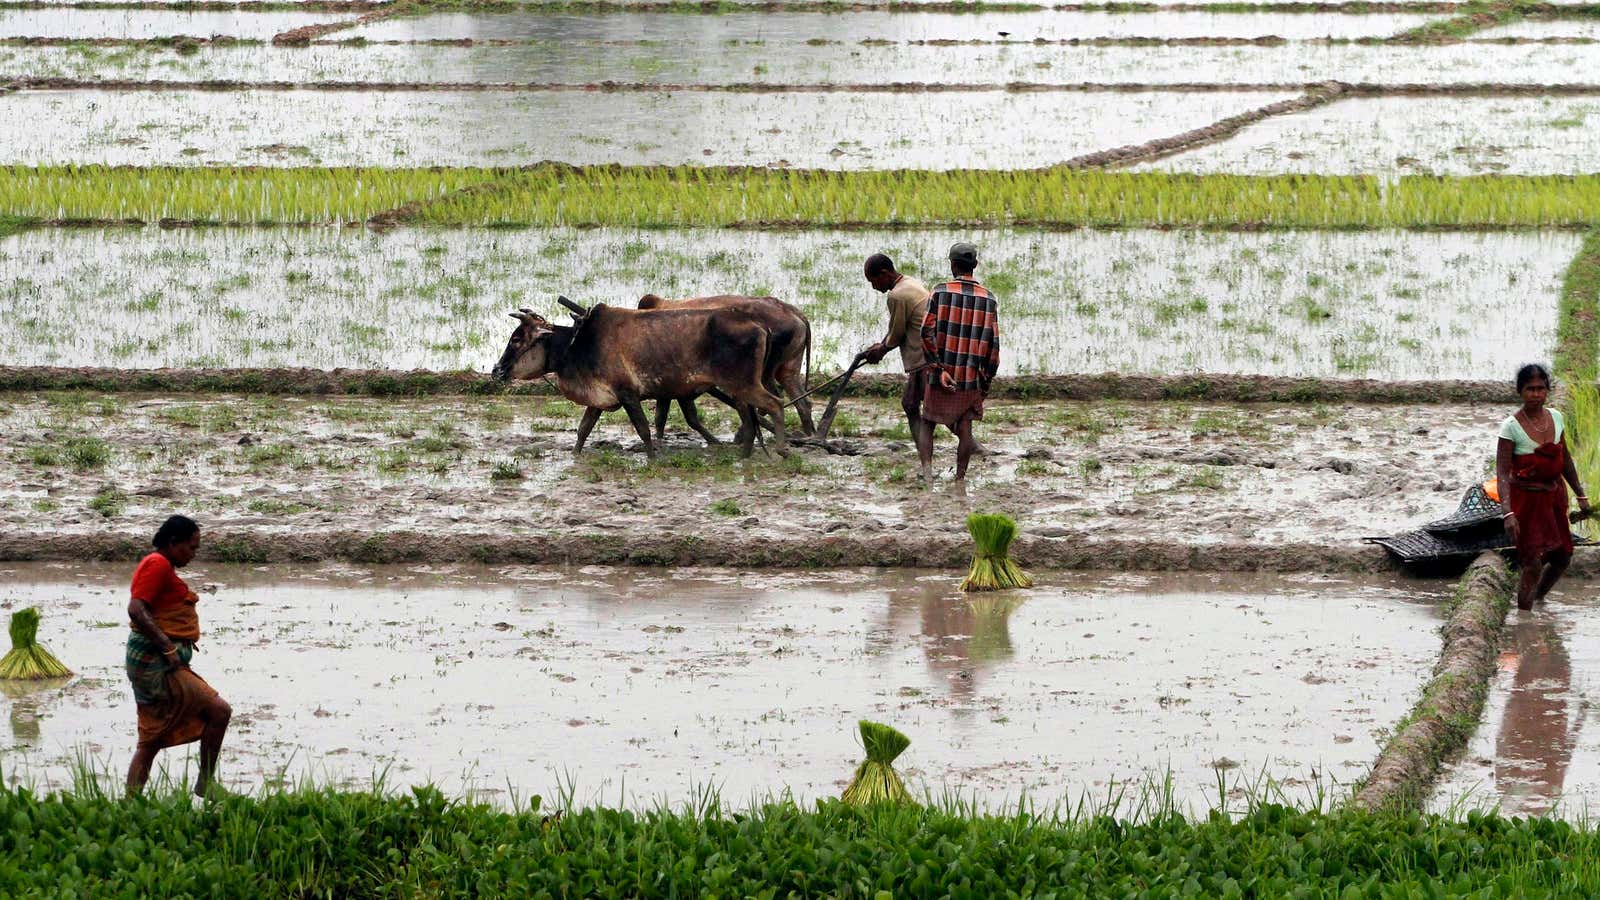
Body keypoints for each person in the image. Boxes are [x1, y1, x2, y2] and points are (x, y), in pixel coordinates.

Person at [125, 515, 232, 797]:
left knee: (151, 739)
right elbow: (136, 609)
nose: (193, 555)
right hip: (157, 662)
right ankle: (205, 783)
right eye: (191, 548)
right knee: (219, 711)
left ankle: (129, 803)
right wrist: (168, 648)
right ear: (173, 543)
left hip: (157, 662)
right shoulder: (157, 564)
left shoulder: (161, 565)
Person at [1497, 363, 1589, 611]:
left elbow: (1565, 459)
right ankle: (1523, 618)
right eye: (1530, 389)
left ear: (1547, 390)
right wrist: (1508, 513)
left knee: (1563, 557)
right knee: (1532, 562)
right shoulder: (1511, 427)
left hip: (1553, 498)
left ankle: (1538, 600)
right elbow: (1502, 473)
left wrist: (1580, 493)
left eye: (1540, 388)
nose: (1536, 394)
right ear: (1520, 391)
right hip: (1526, 503)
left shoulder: (1556, 417)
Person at [917, 241, 1000, 481]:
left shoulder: (940, 292)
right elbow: (993, 345)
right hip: (970, 375)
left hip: (941, 374)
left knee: (928, 422)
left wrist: (937, 367)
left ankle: (927, 473)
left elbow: (926, 332)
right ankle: (960, 478)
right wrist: (986, 378)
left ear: (953, 265)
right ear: (974, 265)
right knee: (965, 428)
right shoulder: (989, 299)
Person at [861, 253, 932, 453]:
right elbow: (897, 329)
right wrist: (882, 344)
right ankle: (925, 450)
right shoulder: (910, 282)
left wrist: (881, 350)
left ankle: (928, 451)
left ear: (884, 274)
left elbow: (896, 334)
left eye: (873, 281)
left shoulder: (896, 295)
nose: (874, 287)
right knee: (914, 404)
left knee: (931, 408)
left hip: (923, 358)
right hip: (929, 354)